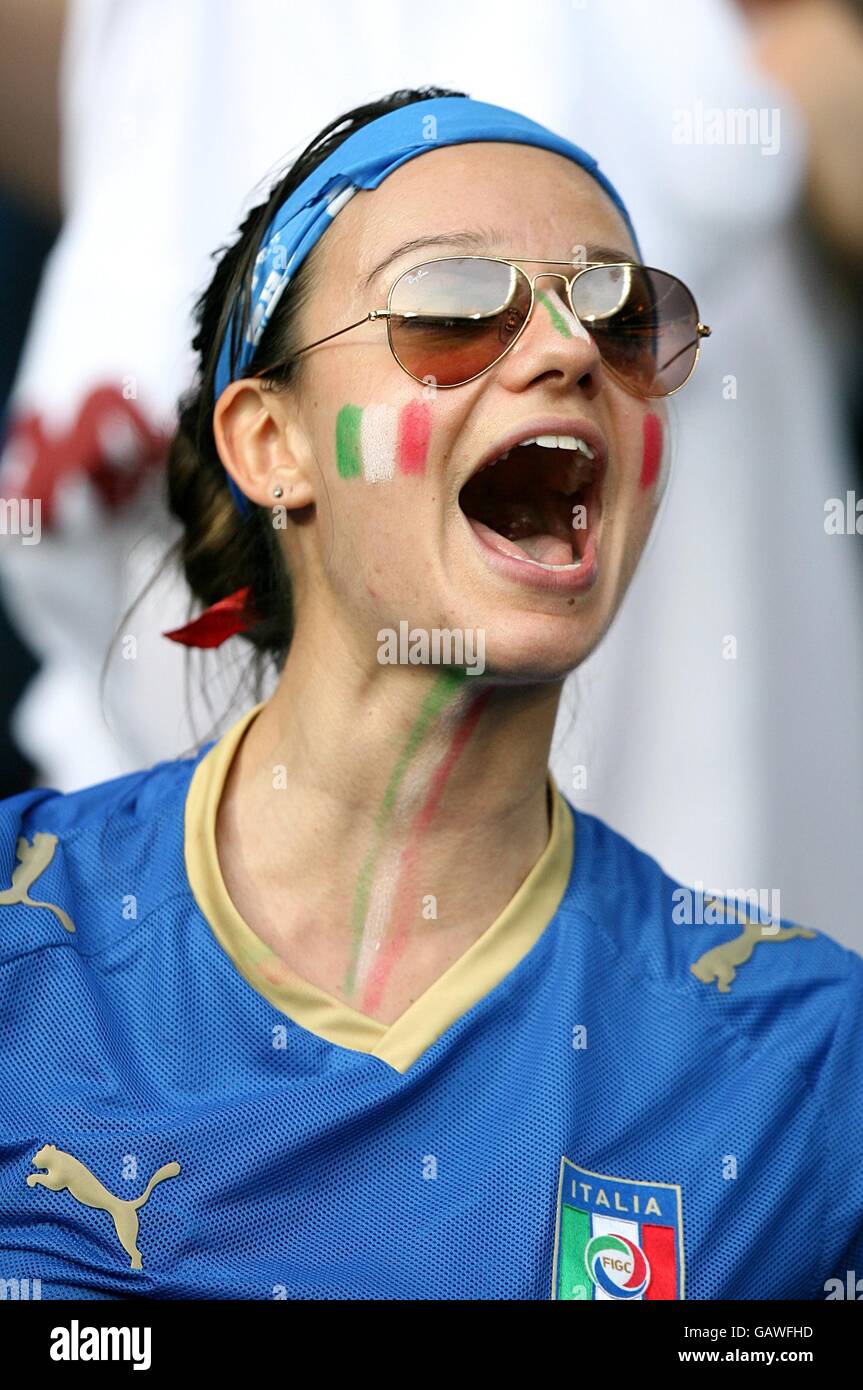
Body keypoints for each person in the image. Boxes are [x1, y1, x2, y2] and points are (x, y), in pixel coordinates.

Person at [1, 89, 860, 1301]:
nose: (567, 351)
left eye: (621, 312)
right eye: (452, 307)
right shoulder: (22, 950)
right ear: (269, 445)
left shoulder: (808, 1069)